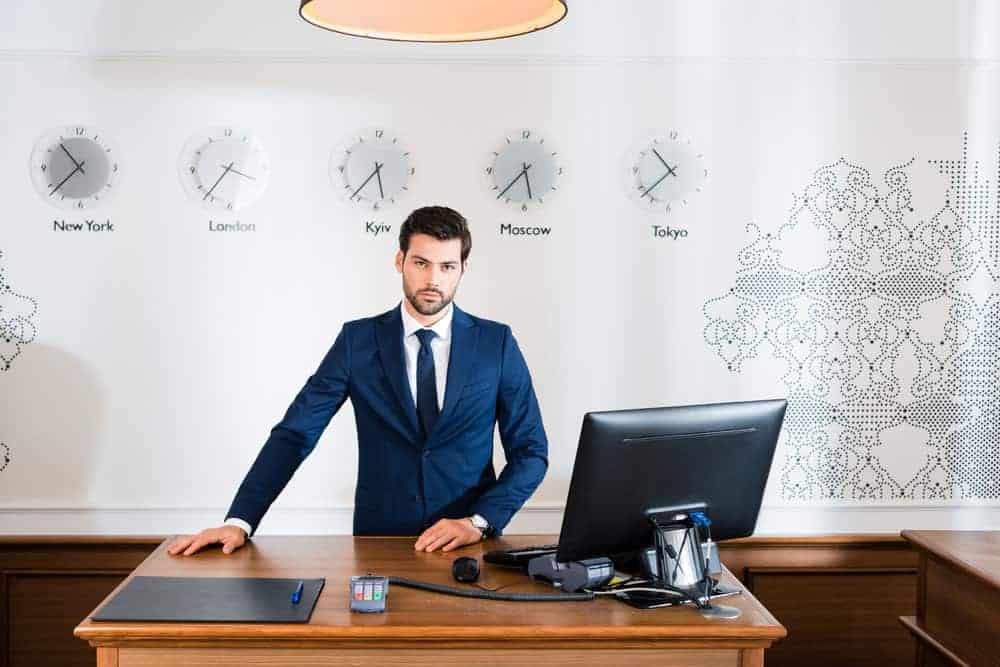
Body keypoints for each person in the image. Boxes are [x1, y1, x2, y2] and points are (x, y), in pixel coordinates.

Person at [168, 206, 548, 556]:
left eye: (447, 266)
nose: (434, 279)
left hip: (469, 545)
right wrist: (239, 521)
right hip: (379, 542)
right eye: (421, 263)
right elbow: (296, 433)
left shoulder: (496, 344)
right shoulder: (357, 341)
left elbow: (531, 452)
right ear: (400, 261)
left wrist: (478, 522)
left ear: (464, 268)